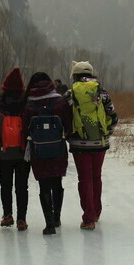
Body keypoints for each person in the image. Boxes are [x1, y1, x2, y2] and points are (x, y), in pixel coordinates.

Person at [65, 61, 118, 230]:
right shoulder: (101, 92)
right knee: (96, 177)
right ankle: (96, 212)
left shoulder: (70, 94)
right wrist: (105, 133)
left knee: (84, 179)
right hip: (99, 143)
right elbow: (113, 116)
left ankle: (88, 218)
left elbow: (64, 117)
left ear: (75, 75)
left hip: (79, 144)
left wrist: (69, 136)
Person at [21, 72, 72, 235]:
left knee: (44, 184)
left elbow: (24, 129)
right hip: (58, 148)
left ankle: (49, 223)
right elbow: (69, 125)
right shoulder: (60, 101)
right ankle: (57, 217)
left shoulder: (29, 104)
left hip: (38, 150)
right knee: (57, 182)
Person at [0, 67, 30, 231]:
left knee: (6, 185)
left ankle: (7, 215)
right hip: (23, 153)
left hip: (4, 154)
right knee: (22, 186)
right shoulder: (26, 107)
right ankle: (22, 219)